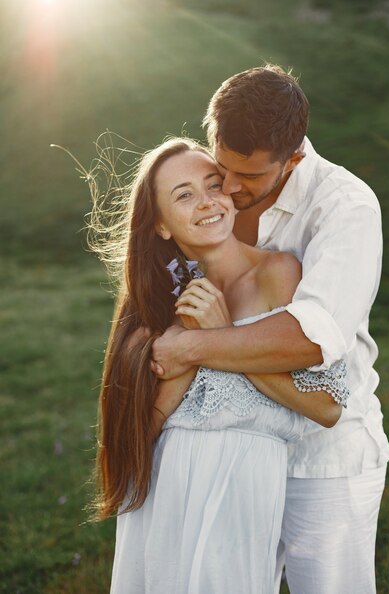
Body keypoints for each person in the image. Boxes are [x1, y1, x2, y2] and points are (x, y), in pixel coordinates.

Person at [151, 66, 389, 594]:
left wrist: (196, 344)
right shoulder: (214, 192)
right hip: (233, 451)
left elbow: (310, 338)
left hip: (323, 455)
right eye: (223, 168)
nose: (231, 190)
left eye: (252, 178)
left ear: (295, 158)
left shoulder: (345, 206)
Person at [89, 137, 348, 594]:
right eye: (183, 195)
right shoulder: (157, 305)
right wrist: (189, 352)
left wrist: (216, 338)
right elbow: (135, 436)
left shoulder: (279, 272)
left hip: (243, 486)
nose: (206, 202)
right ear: (162, 226)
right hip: (164, 491)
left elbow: (327, 407)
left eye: (213, 185)